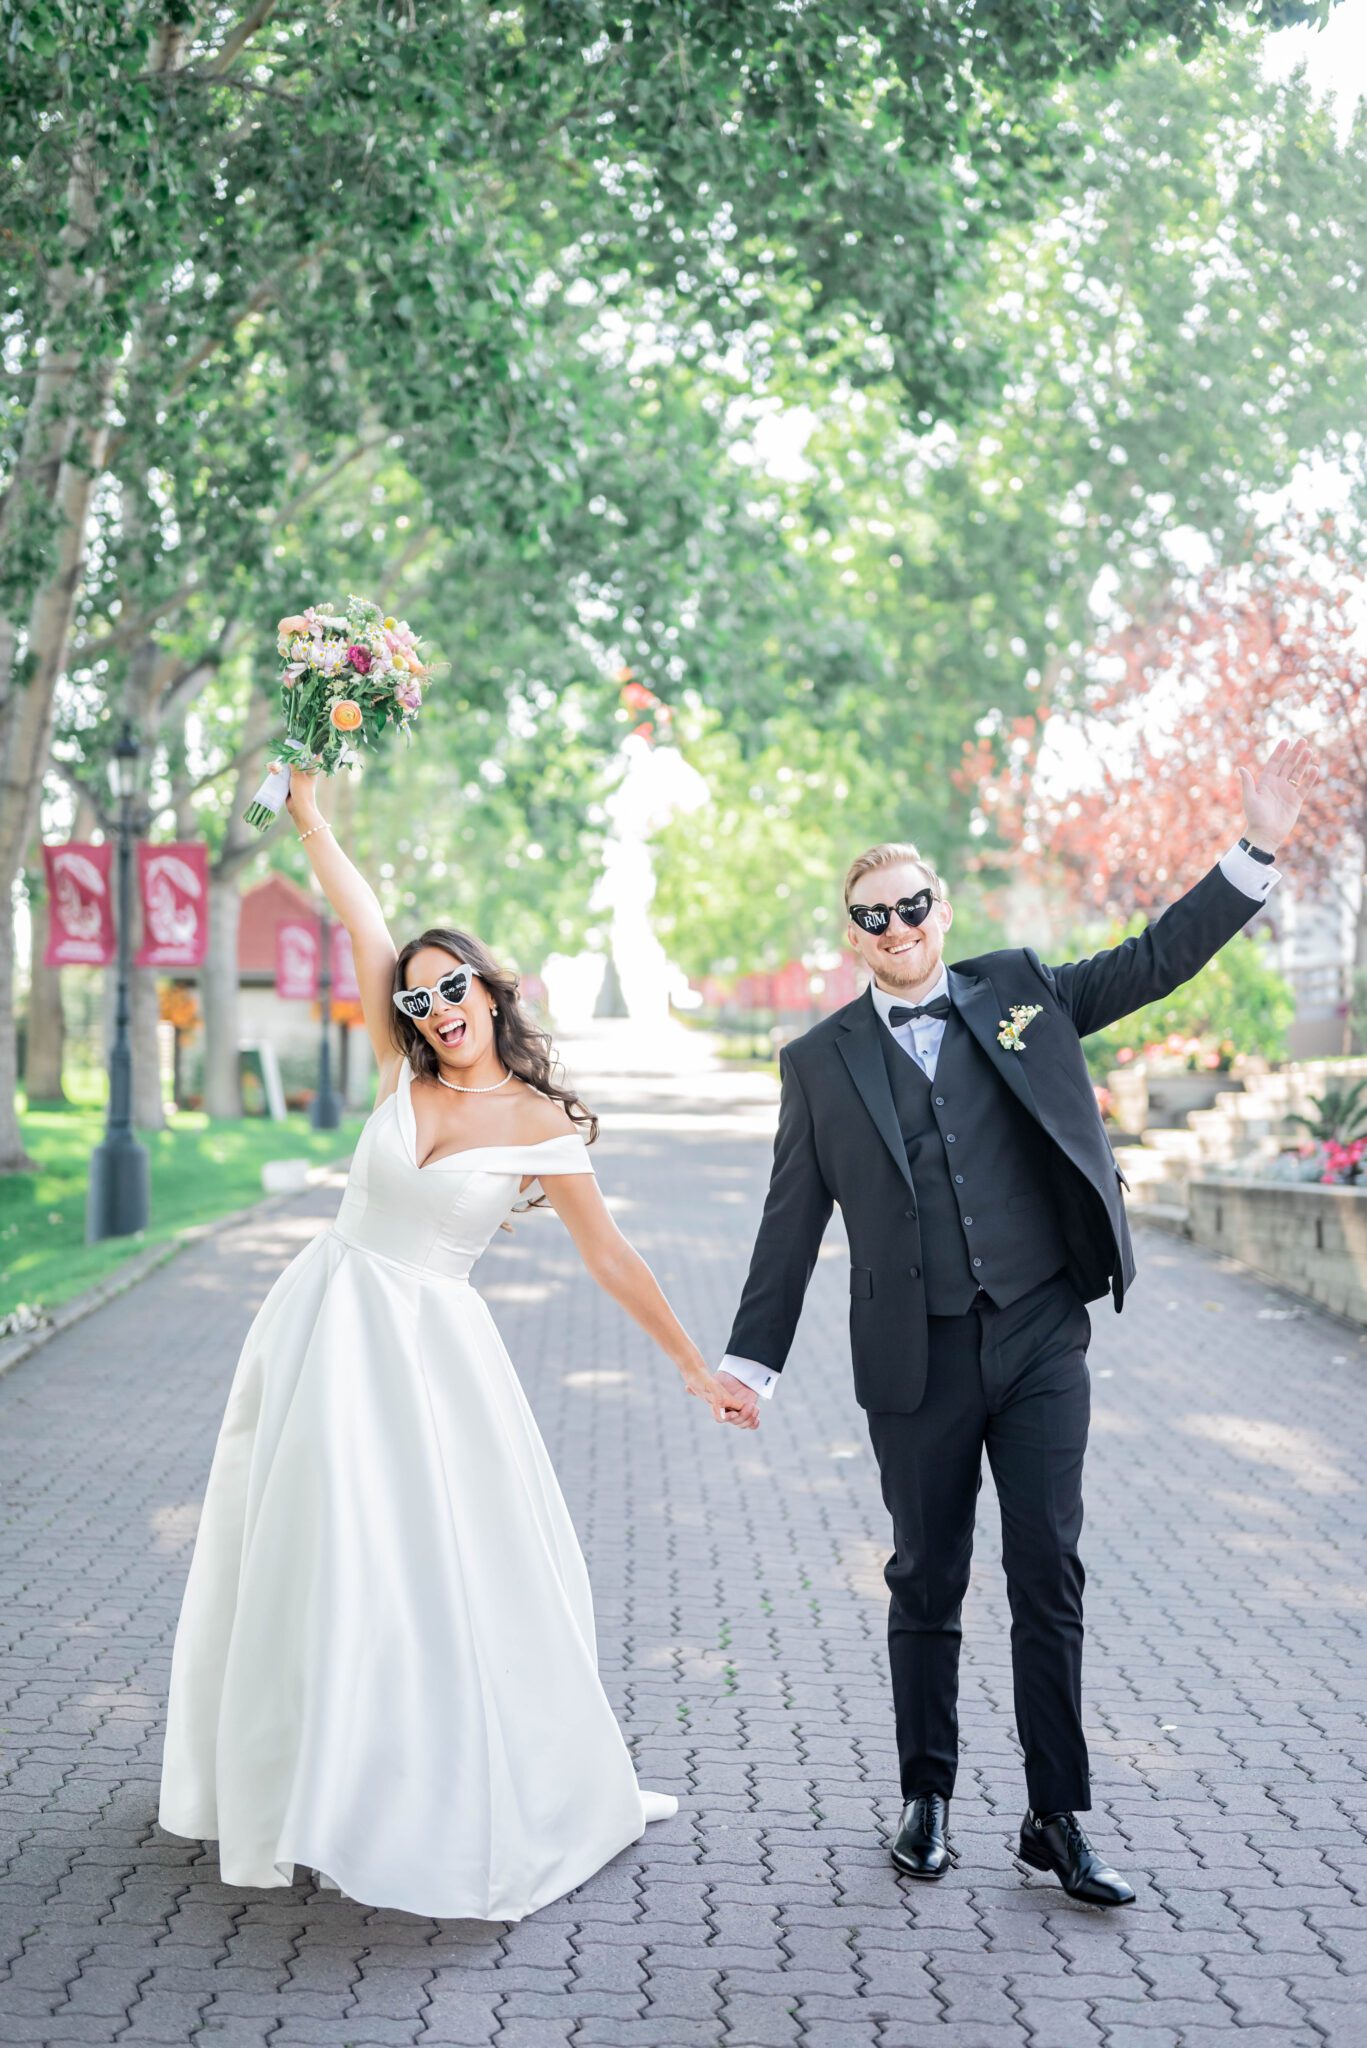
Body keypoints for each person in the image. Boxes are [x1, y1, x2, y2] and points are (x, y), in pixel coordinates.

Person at [714, 738, 1317, 1906]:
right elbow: (788, 1225)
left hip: (1039, 1331)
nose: (896, 927)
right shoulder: (818, 1063)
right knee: (925, 1574)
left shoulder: (1023, 989)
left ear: (941, 908)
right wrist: (750, 1363)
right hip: (916, 1352)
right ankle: (925, 1793)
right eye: (871, 915)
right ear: (851, 934)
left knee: (1047, 1568)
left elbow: (1153, 959)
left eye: (911, 906)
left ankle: (1056, 1813)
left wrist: (1253, 848)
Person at [158, 770, 748, 1921]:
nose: (435, 1007)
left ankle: (419, 1784)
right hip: (322, 1327)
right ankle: (290, 1779)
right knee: (298, 1549)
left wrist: (691, 1361)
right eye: (419, 997)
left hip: (428, 1363)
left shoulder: (541, 1122)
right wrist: (310, 812)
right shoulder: (400, 1073)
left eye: (452, 987)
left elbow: (612, 1258)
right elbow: (360, 915)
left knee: (424, 1567)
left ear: (489, 988)